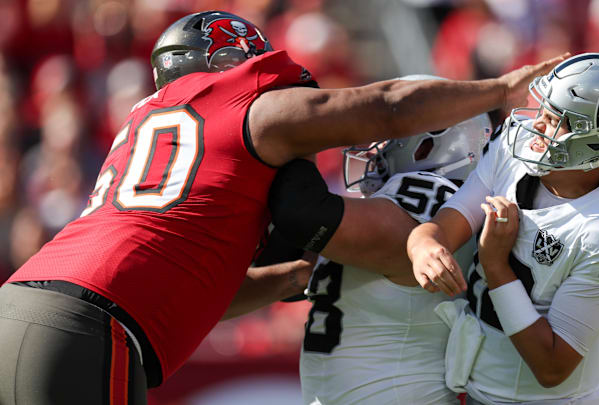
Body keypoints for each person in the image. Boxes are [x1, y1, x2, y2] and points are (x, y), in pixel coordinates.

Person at [0, 9, 566, 404]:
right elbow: (389, 106)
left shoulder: (148, 128)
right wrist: (500, 89)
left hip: (30, 303)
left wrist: (288, 277)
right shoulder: (248, 112)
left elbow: (197, 293)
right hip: (89, 324)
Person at [406, 53, 599, 404]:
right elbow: (448, 222)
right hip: (478, 392)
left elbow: (552, 367)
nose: (537, 125)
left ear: (593, 141)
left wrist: (495, 265)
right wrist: (423, 245)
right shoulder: (513, 150)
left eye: (554, 120)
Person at [268, 75, 492, 405]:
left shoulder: (435, 199)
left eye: (391, 133)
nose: (377, 144)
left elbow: (301, 213)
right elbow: (283, 259)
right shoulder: (407, 206)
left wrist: (288, 125)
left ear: (429, 143)